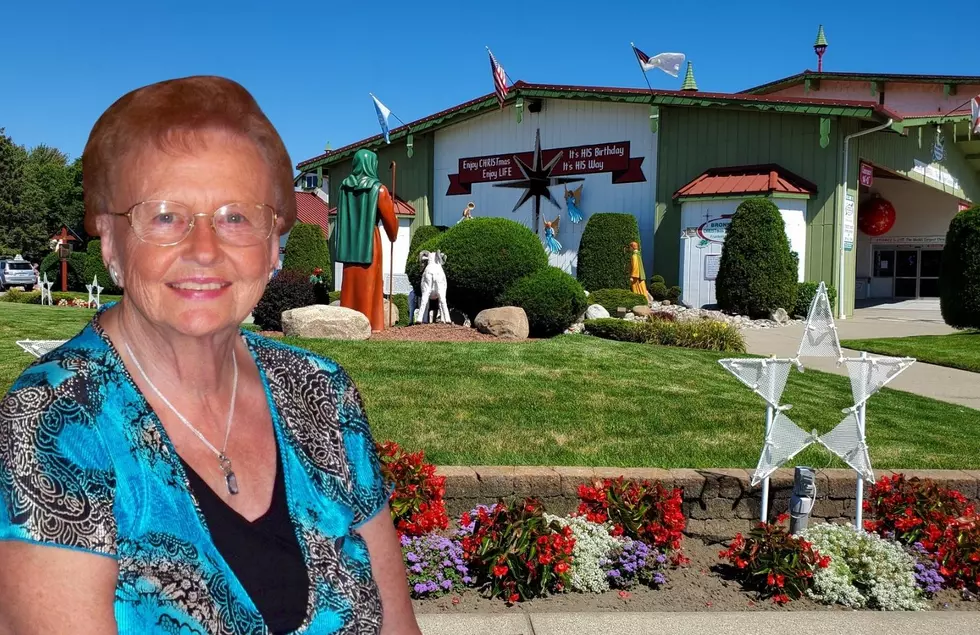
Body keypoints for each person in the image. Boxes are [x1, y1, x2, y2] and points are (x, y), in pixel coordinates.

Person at [0, 76, 421, 635]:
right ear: (110, 242)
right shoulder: (55, 419)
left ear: (273, 244)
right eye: (166, 216)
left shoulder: (320, 391)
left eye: (236, 217)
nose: (204, 249)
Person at [331, 149, 398, 332]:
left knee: (350, 284)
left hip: (349, 243)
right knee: (370, 285)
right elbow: (392, 227)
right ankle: (370, 325)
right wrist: (393, 231)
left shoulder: (344, 188)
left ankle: (348, 325)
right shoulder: (380, 190)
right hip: (370, 242)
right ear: (372, 165)